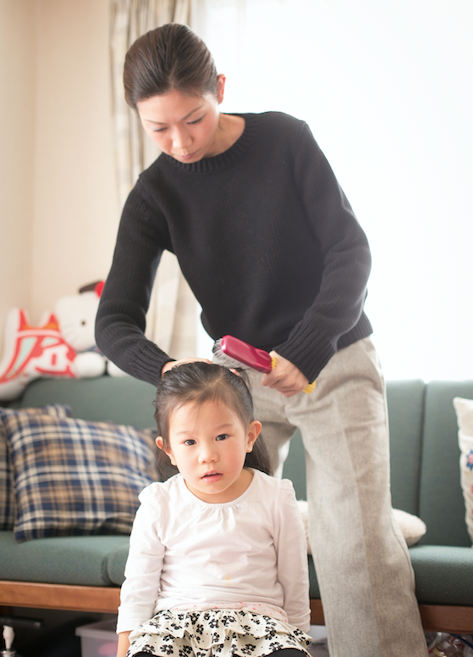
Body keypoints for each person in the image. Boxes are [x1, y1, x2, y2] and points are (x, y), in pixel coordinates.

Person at [96, 23, 428, 657]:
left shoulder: (284, 139)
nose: (180, 142)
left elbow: (350, 251)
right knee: (218, 531)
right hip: (239, 381)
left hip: (331, 358)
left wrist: (304, 350)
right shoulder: (154, 194)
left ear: (219, 88)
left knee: (353, 540)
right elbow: (112, 321)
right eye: (158, 129)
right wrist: (169, 367)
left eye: (192, 119)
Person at [116, 362, 312, 657]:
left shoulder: (276, 496)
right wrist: (124, 651)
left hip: (260, 627)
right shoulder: (159, 502)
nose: (208, 455)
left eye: (222, 437)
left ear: (249, 435)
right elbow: (138, 589)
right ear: (168, 449)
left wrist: (297, 638)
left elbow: (294, 581)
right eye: (190, 442)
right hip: (176, 627)